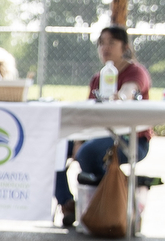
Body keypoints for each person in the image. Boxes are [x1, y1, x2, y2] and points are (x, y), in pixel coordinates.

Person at [55, 25, 152, 228]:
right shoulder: (98, 78)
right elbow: (88, 116)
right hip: (96, 136)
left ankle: (112, 203)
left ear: (125, 47)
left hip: (131, 140)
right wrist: (78, 141)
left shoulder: (136, 71)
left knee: (88, 153)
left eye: (111, 43)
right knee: (54, 149)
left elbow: (130, 89)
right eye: (101, 43)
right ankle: (68, 204)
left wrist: (121, 96)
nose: (105, 48)